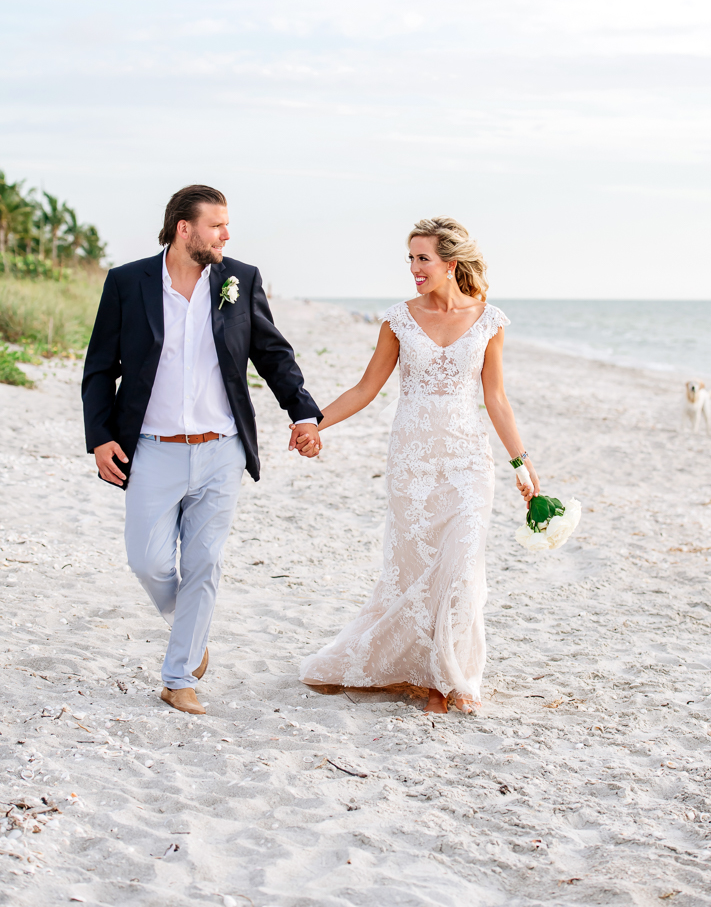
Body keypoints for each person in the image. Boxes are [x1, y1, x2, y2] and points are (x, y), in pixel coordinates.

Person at [82, 185, 323, 715]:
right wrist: (99, 436)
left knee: (204, 563)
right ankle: (191, 630)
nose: (227, 235)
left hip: (222, 450)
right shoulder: (128, 282)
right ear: (184, 228)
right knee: (146, 562)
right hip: (149, 448)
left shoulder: (239, 278)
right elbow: (101, 366)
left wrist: (302, 412)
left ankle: (179, 676)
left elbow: (271, 352)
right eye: (217, 225)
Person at [297, 216, 539, 715]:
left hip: (468, 462)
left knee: (462, 568)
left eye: (422, 258)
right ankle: (427, 673)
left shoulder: (488, 320)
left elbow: (496, 398)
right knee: (417, 570)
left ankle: (450, 681)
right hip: (412, 461)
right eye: (410, 259)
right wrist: (316, 424)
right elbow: (366, 389)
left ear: (450, 264)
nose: (414, 268)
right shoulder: (398, 320)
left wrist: (522, 462)